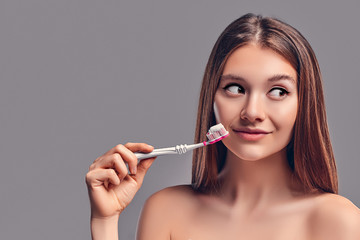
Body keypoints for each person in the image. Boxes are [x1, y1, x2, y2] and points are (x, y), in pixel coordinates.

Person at [85, 13, 360, 240]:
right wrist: (105, 221)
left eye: (278, 91)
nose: (252, 112)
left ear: (305, 104)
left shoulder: (337, 222)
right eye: (235, 88)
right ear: (211, 97)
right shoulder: (166, 210)